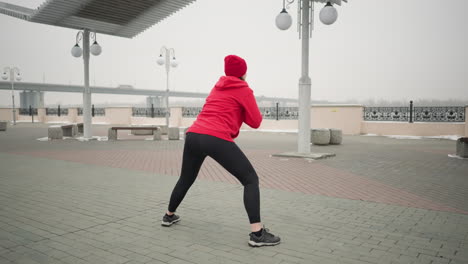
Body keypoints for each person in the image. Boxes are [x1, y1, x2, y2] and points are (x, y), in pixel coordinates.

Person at [162, 55, 281, 247]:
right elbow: (256, 122)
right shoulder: (244, 89)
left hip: (193, 134)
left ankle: (168, 216)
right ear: (243, 72)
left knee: (186, 178)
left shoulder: (217, 87)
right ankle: (257, 234)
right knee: (250, 179)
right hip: (215, 137)